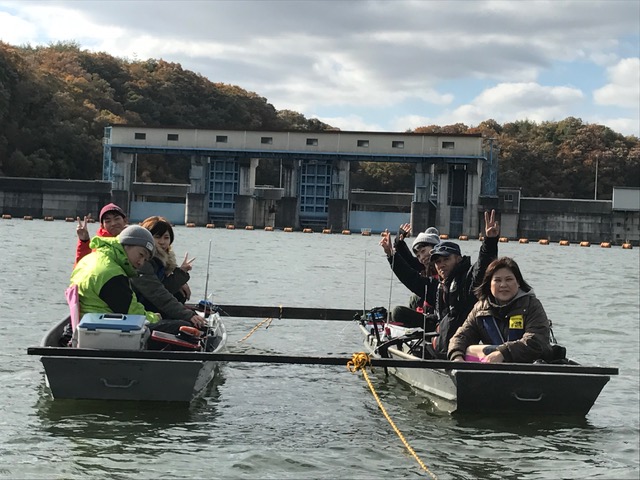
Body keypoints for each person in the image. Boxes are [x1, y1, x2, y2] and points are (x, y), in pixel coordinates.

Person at [383, 210, 500, 357]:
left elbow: (483, 266)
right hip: (440, 346)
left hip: (461, 347)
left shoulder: (468, 280)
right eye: (438, 261)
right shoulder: (437, 286)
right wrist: (391, 256)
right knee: (401, 312)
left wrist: (490, 241)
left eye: (446, 259)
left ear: (458, 259)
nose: (441, 265)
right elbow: (411, 278)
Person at [448, 257, 552, 363]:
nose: (503, 285)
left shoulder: (532, 305)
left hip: (528, 368)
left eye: (509, 279)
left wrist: (504, 353)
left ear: (518, 282)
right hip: (493, 369)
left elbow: (537, 341)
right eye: (497, 280)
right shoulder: (480, 309)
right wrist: (457, 356)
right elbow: (462, 336)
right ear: (489, 284)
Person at [70, 224, 160, 323]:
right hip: (106, 329)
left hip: (87, 323)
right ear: (127, 244)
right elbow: (133, 314)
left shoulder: (87, 260)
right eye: (141, 254)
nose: (141, 262)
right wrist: (155, 318)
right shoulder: (112, 274)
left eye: (145, 260)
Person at [131, 216, 204, 329]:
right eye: (157, 237)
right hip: (141, 313)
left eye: (166, 237)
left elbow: (162, 289)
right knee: (184, 326)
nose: (162, 242)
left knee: (180, 294)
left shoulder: (163, 260)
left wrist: (180, 275)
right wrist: (189, 315)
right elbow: (157, 293)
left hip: (151, 306)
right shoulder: (143, 262)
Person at [379, 223, 440, 328]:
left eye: (423, 251)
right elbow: (409, 264)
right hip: (431, 310)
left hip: (439, 320)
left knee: (398, 312)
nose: (422, 258)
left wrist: (392, 254)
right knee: (414, 299)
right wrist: (397, 244)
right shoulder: (425, 267)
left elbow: (412, 278)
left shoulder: (445, 271)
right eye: (419, 255)